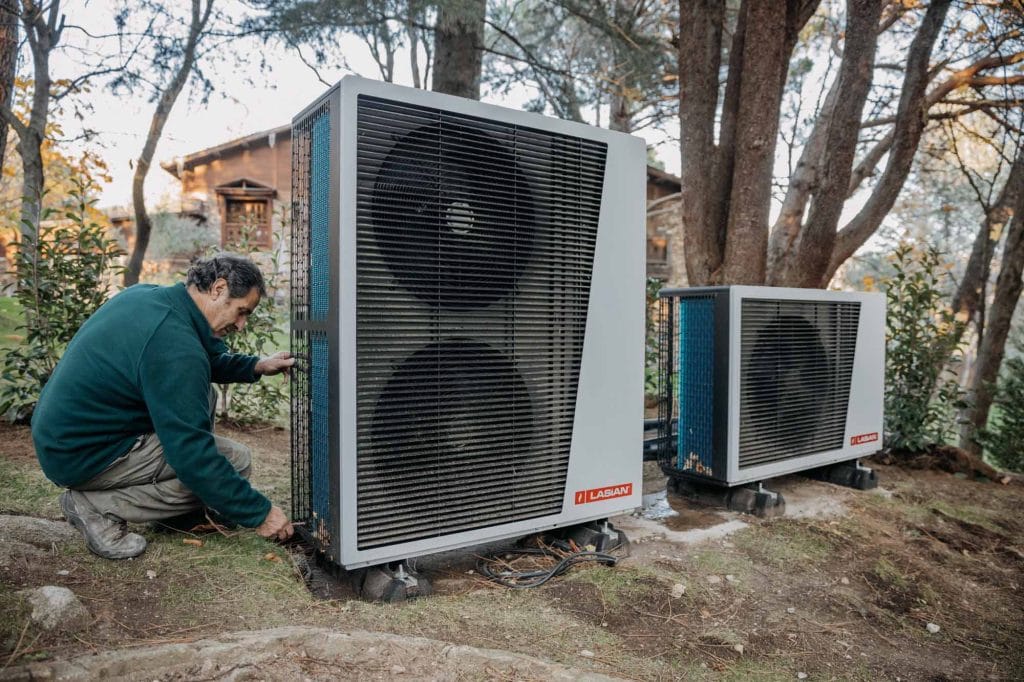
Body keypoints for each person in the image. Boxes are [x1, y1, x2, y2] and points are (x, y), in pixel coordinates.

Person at [31, 253, 295, 559]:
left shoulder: (151, 299)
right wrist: (260, 513)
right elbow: (193, 457)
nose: (241, 325)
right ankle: (94, 507)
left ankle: (175, 515)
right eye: (241, 312)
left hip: (64, 438)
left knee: (201, 395)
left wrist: (256, 366)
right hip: (84, 454)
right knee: (234, 461)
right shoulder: (176, 346)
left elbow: (194, 361)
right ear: (218, 288)